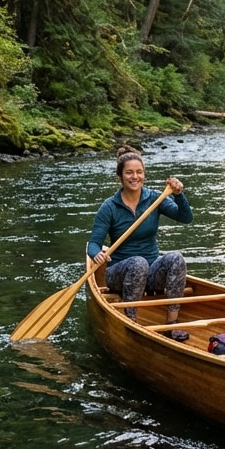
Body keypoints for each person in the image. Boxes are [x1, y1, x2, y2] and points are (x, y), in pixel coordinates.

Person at [87, 146, 194, 341]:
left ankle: (172, 324)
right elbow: (93, 244)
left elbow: (185, 218)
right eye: (129, 172)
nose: (134, 176)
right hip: (118, 274)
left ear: (144, 174)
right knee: (137, 262)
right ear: (120, 176)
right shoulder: (109, 207)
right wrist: (97, 254)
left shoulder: (155, 198)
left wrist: (179, 195)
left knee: (175, 258)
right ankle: (131, 321)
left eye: (139, 172)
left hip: (150, 273)